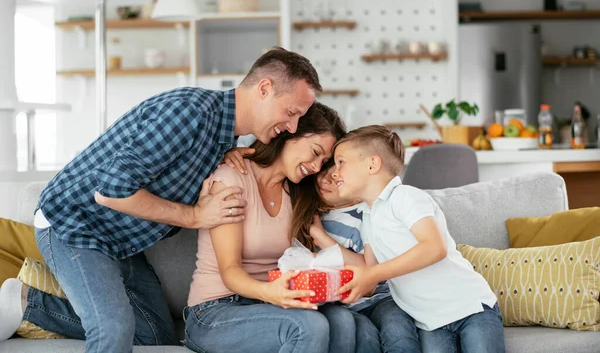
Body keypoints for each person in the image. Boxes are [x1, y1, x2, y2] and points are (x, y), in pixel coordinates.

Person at [0, 47, 322, 352]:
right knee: (113, 329)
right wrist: (196, 216)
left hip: (117, 238)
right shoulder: (189, 113)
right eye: (291, 112)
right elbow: (112, 190)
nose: (292, 126)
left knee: (155, 333)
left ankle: (28, 304)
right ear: (264, 88)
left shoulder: (223, 135)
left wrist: (229, 154)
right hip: (74, 222)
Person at [185, 102, 367, 353]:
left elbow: (353, 194)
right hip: (215, 310)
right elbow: (229, 270)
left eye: (323, 161)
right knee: (308, 326)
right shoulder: (231, 179)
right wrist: (270, 293)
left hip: (270, 303)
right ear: (288, 134)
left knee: (343, 321)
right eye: (315, 152)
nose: (316, 167)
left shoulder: (299, 192)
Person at [333, 125, 506, 353]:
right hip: (430, 323)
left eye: (341, 162)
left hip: (470, 307)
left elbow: (434, 248)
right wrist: (321, 247)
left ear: (372, 165)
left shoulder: (406, 196)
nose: (334, 172)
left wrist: (371, 274)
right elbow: (369, 272)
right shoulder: (368, 215)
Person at [310, 164, 419, 353]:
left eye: (336, 178)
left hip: (380, 298)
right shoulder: (314, 216)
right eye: (323, 172)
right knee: (364, 337)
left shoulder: (368, 214)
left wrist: (323, 239)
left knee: (398, 331)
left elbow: (370, 278)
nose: (326, 180)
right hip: (342, 304)